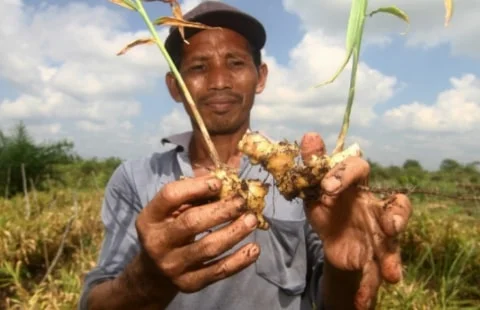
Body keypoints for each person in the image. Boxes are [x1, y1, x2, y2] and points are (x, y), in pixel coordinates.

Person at [79, 2, 412, 309]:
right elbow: (94, 303)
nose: (219, 81)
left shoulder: (303, 184)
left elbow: (334, 303)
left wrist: (344, 269)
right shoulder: (137, 179)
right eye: (198, 67)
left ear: (261, 77)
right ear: (175, 86)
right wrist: (147, 278)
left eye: (236, 63)